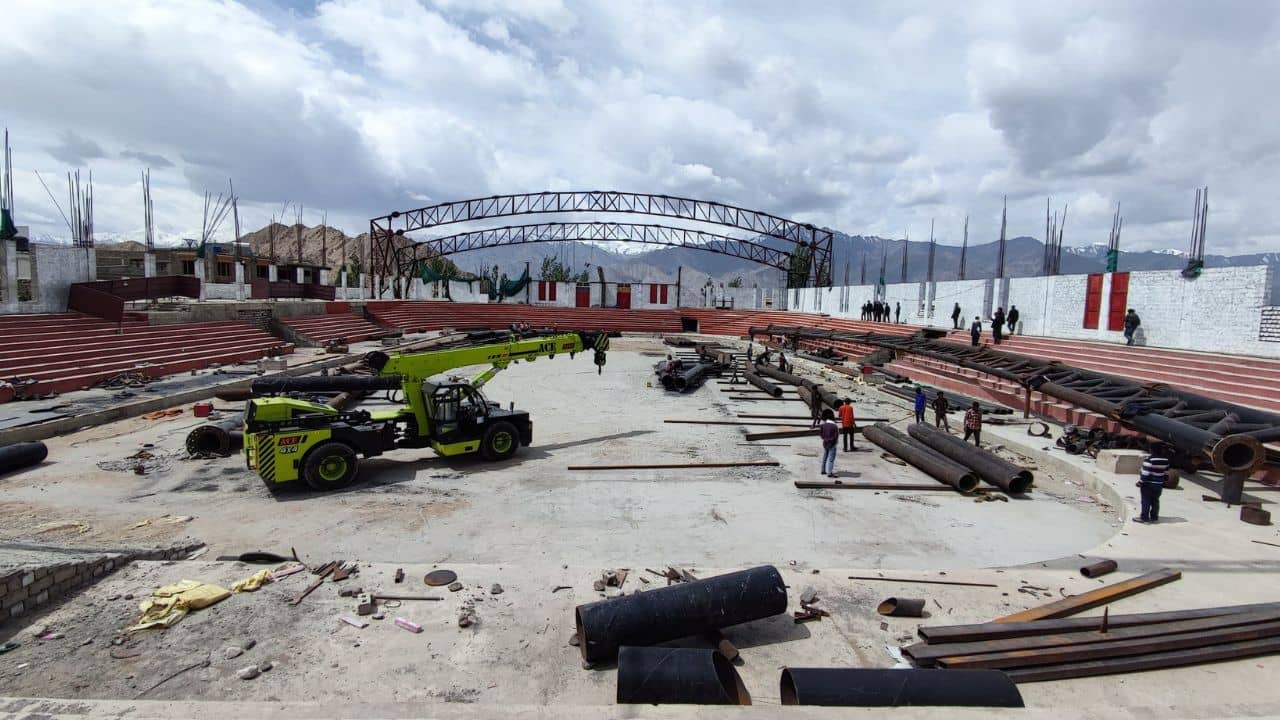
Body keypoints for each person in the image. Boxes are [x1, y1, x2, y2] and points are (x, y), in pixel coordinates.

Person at [1135, 448, 1170, 523]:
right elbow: (1166, 473)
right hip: (1159, 484)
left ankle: (1144, 518)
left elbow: (1145, 473)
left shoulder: (1149, 459)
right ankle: (1154, 517)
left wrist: (1140, 482)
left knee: (1146, 501)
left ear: (1151, 450)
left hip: (1148, 484)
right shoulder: (1165, 460)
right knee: (1155, 501)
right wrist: (1164, 481)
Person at [819, 409, 839, 478]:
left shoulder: (823, 425)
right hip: (832, 444)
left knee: (825, 457)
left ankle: (823, 470)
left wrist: (825, 439)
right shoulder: (835, 426)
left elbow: (821, 435)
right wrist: (833, 441)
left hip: (825, 443)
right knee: (831, 459)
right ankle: (829, 473)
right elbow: (836, 436)